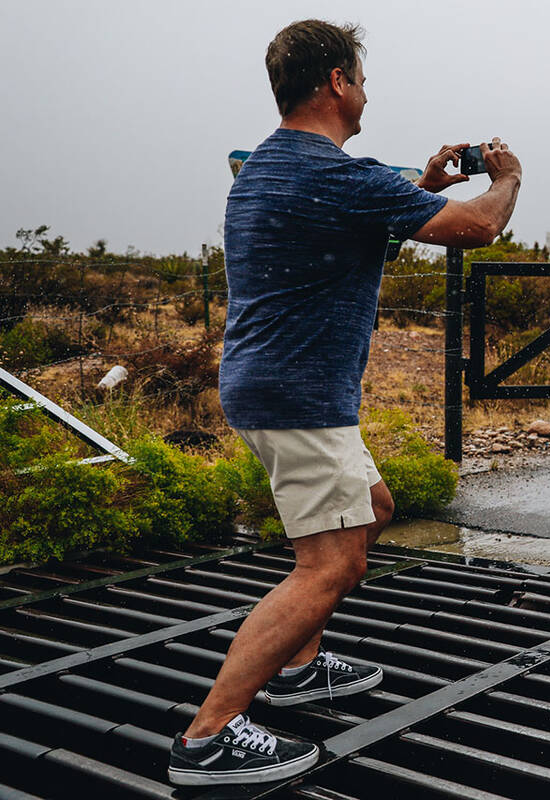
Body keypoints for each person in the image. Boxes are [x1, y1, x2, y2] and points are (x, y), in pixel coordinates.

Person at [167, 19, 521, 786]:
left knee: (375, 507)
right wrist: (506, 176)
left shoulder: (268, 164)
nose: (364, 91)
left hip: (280, 388)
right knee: (330, 563)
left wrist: (420, 184)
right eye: (359, 76)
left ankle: (298, 667)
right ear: (335, 80)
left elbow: (362, 226)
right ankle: (211, 733)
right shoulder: (333, 171)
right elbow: (479, 228)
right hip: (298, 397)